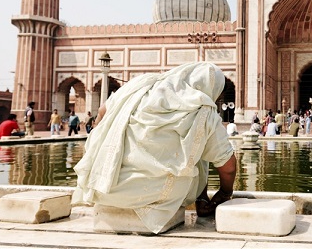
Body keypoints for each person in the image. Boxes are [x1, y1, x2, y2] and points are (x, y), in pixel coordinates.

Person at [73, 62, 237, 234]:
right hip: (156, 197)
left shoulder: (140, 86)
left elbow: (102, 112)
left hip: (103, 187)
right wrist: (225, 192)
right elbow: (229, 167)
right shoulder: (204, 111)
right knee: (197, 146)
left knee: (195, 142)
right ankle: (201, 201)